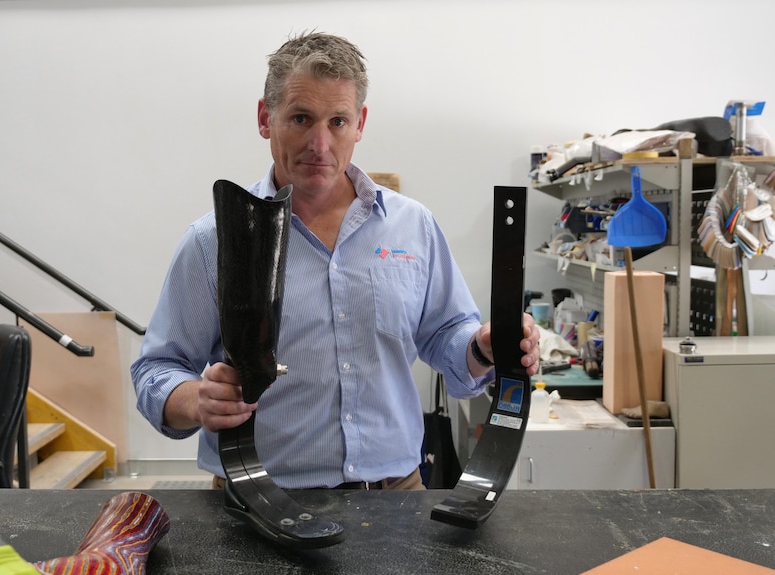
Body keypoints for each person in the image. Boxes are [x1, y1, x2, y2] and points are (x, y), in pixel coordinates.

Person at [131, 31, 541, 491]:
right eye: (301, 118)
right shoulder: (215, 242)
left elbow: (446, 336)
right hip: (257, 505)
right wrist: (195, 400)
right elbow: (156, 369)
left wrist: (484, 346)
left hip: (395, 499)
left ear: (360, 122)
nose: (320, 144)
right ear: (266, 118)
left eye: (338, 122)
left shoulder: (413, 227)